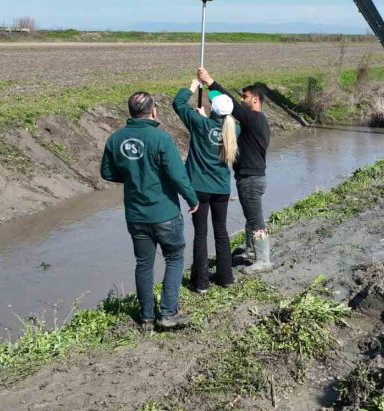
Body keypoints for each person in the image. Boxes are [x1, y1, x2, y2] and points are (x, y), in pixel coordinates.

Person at [101, 91, 199, 330]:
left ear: (130, 112)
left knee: (143, 264)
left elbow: (107, 173)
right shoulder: (161, 139)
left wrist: (134, 175)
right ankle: (167, 313)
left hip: (135, 215)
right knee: (174, 258)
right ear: (153, 111)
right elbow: (177, 175)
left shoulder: (115, 139)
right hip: (164, 212)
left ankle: (145, 316)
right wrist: (192, 199)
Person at [197, 67, 272, 274]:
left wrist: (210, 82)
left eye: (246, 97)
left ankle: (263, 259)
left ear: (256, 99)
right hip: (253, 177)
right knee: (251, 216)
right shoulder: (257, 121)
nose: (242, 100)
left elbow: (228, 103)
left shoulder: (253, 118)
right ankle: (250, 251)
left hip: (250, 179)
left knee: (256, 219)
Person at [172, 79, 239, 292]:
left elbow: (178, 104)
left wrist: (192, 87)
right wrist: (205, 118)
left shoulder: (201, 124)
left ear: (212, 110)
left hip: (199, 188)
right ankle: (226, 277)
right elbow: (217, 130)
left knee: (200, 233)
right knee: (221, 231)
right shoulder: (234, 129)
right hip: (221, 188)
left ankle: (201, 283)